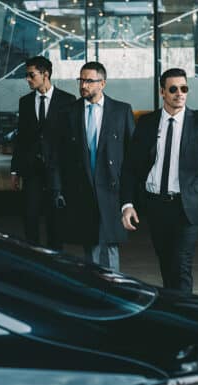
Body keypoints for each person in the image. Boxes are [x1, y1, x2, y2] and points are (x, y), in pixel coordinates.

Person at [121, 68, 198, 293]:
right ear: (162, 92)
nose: (179, 93)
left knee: (181, 268)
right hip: (156, 206)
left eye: (184, 88)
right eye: (173, 89)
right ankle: (174, 313)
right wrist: (128, 204)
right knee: (167, 267)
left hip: (186, 208)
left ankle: (185, 320)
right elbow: (131, 167)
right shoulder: (147, 123)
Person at [50, 61, 135, 271]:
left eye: (89, 80)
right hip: (81, 188)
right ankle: (96, 290)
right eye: (81, 80)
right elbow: (57, 154)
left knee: (111, 245)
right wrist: (58, 188)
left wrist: (130, 197)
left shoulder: (121, 110)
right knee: (90, 245)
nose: (83, 85)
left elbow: (133, 155)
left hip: (112, 189)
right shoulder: (68, 112)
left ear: (102, 83)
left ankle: (116, 289)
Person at [10, 56, 75, 249]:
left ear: (45, 74)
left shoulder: (67, 101)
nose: (28, 79)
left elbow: (71, 139)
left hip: (57, 171)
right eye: (27, 75)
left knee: (56, 221)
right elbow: (21, 139)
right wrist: (15, 170)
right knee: (30, 219)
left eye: (31, 75)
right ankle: (34, 260)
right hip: (32, 171)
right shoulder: (25, 102)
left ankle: (55, 261)